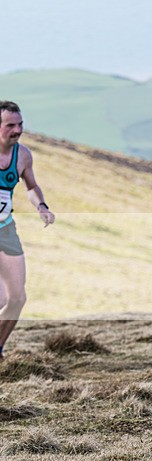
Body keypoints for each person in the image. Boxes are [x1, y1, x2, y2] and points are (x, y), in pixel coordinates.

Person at [0, 102, 56, 360]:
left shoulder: (22, 156)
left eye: (20, 124)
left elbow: (31, 186)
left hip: (5, 229)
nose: (18, 130)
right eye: (10, 125)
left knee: (17, 298)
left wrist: (41, 206)